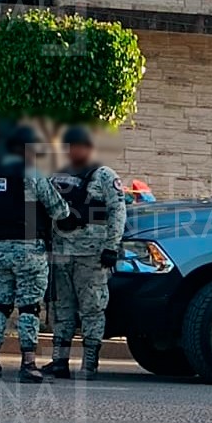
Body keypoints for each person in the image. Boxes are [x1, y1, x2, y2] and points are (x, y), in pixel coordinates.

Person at [0, 126, 70, 383]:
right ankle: (28, 363)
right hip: (28, 247)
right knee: (29, 306)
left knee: (0, 303)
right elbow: (57, 208)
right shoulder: (32, 172)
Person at [42, 126, 127, 380]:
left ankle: (89, 362)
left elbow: (117, 212)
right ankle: (59, 361)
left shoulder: (104, 176)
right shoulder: (56, 176)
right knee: (61, 307)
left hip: (92, 255)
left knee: (92, 308)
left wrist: (112, 247)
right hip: (61, 253)